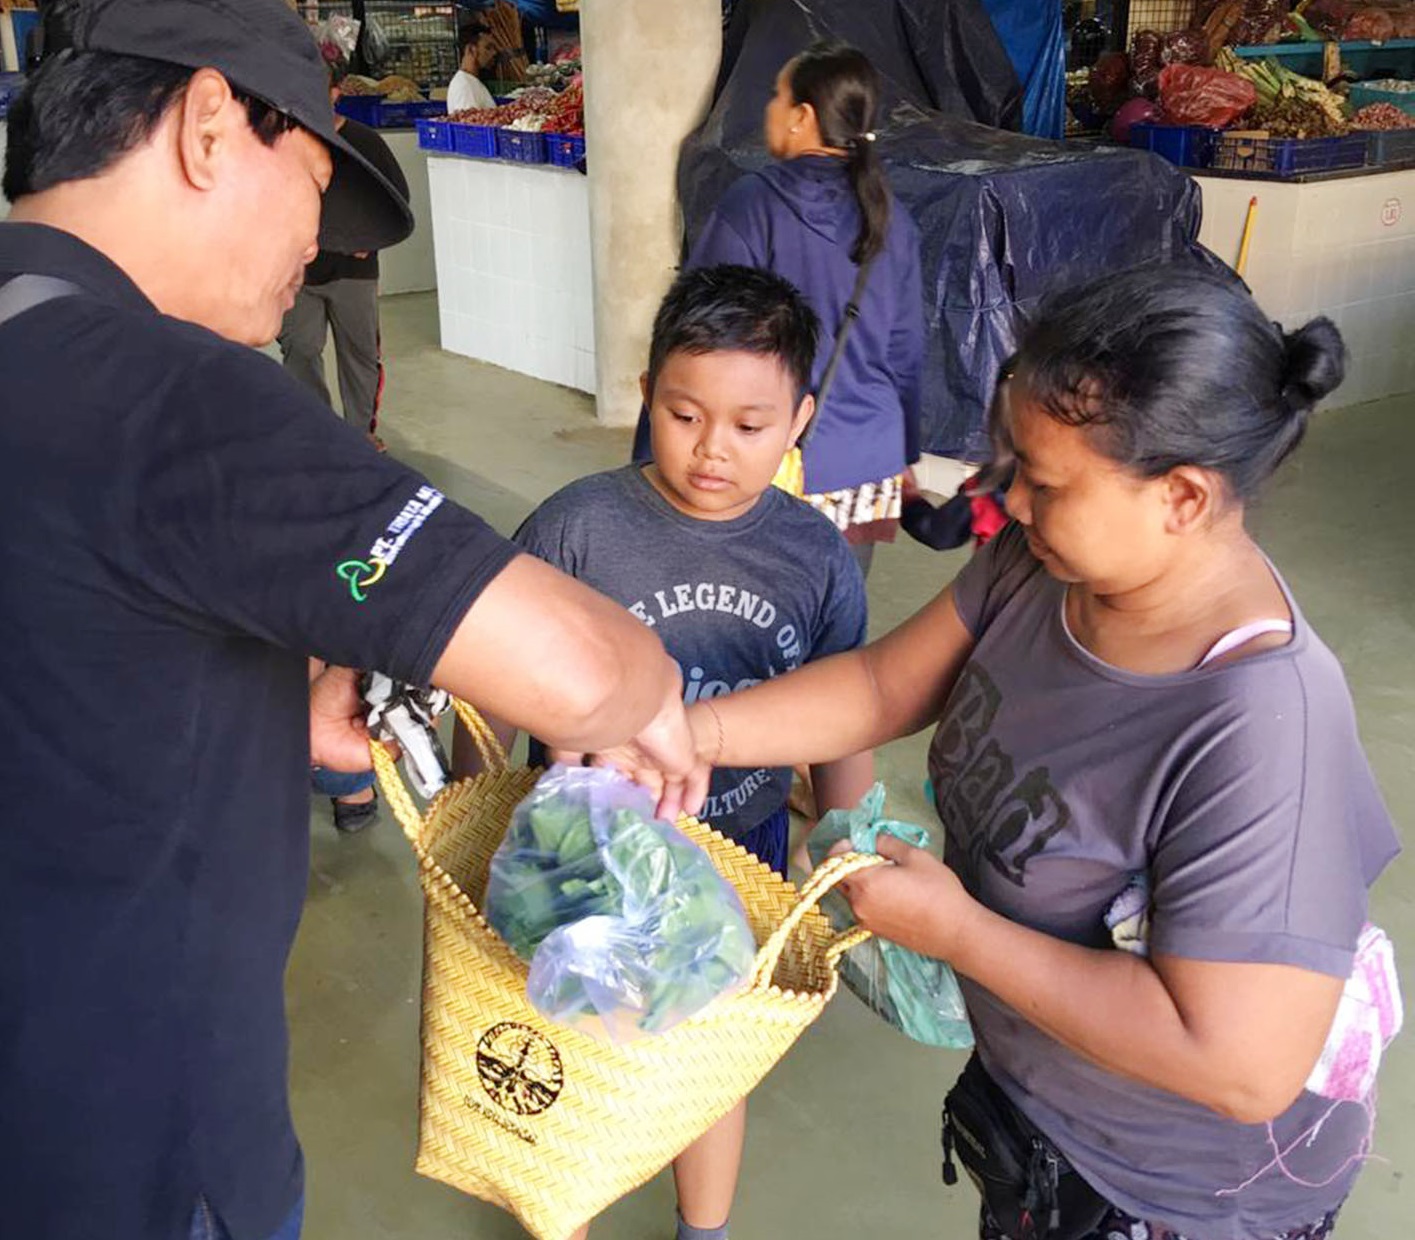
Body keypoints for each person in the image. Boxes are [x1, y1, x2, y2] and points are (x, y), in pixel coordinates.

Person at [0, 3, 702, 1239]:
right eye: (316, 185)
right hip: (132, 1155)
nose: (319, 243)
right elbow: (580, 671)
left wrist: (258, 715)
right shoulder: (178, 394)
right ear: (208, 125)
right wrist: (649, 685)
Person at [608, 265, 1401, 1240]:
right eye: (1013, 465)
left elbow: (1239, 1064)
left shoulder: (1262, 726)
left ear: (1181, 497)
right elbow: (883, 685)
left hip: (1170, 1196)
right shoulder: (1048, 562)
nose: (1011, 502)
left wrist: (959, 933)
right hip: (1038, 1113)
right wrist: (690, 733)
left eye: (1045, 482)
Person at [455, 264, 875, 1240]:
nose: (712, 448)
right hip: (578, 855)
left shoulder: (815, 557)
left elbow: (841, 714)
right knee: (568, 1049)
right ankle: (563, 1215)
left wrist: (844, 848)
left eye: (749, 424)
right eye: (685, 415)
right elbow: (490, 675)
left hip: (739, 854)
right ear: (648, 394)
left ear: (799, 419)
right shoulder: (577, 528)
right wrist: (474, 826)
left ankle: (703, 1228)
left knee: (706, 1057)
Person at [634, 39, 925, 580]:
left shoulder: (755, 203)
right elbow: (907, 351)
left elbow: (695, 337)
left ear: (802, 117)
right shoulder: (893, 218)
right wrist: (904, 454)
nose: (769, 108)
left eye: (777, 96)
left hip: (767, 459)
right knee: (836, 609)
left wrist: (651, 450)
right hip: (865, 461)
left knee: (746, 606)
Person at [277, 57, 408, 456]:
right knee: (300, 348)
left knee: (360, 354)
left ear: (337, 92)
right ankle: (317, 430)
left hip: (355, 272)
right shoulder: (283, 141)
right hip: (299, 272)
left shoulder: (366, 142)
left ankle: (359, 434)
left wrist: (372, 237)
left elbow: (397, 200)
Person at [447, 18, 497, 114]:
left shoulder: (472, 81)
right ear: (471, 49)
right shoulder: (464, 86)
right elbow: (469, 121)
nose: (494, 53)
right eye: (488, 48)